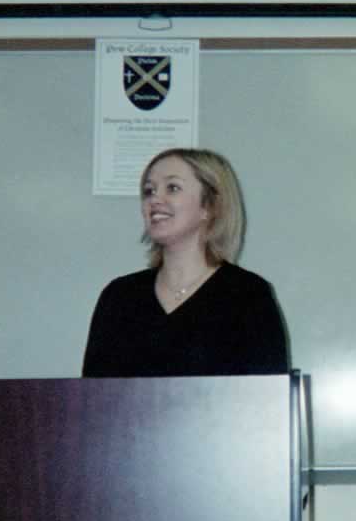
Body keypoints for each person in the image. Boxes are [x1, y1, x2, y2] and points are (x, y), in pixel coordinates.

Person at [83, 148, 289, 377]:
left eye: (172, 188)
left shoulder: (248, 295)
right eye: (149, 191)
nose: (154, 200)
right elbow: (91, 400)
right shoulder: (119, 296)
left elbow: (268, 401)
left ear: (209, 207)